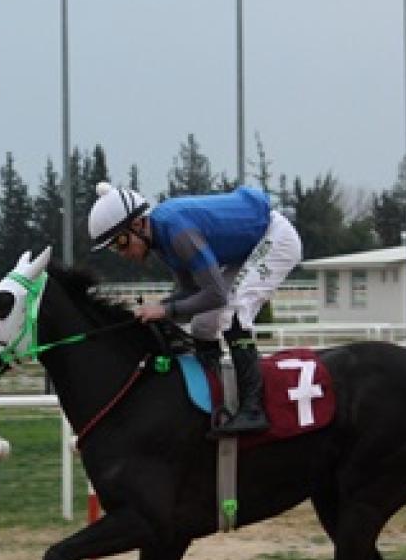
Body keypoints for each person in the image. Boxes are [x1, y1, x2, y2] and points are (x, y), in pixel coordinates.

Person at [87, 182, 302, 436]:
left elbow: (215, 295)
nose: (122, 253)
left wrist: (164, 311)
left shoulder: (177, 233)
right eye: (114, 248)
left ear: (138, 224)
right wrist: (157, 310)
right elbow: (192, 293)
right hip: (247, 248)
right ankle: (215, 401)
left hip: (274, 237)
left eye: (121, 242)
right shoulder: (161, 241)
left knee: (234, 313)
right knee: (203, 324)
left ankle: (253, 410)